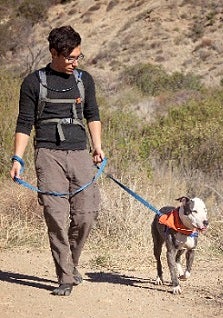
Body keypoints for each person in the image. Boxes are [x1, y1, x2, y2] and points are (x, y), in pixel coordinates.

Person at [10, 25, 105, 296]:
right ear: (54, 53)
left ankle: (70, 264)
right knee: (56, 215)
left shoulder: (84, 80)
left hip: (80, 153)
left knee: (86, 214)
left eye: (78, 57)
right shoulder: (33, 82)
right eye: (70, 58)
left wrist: (97, 147)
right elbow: (25, 123)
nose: (75, 62)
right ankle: (65, 276)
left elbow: (92, 114)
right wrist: (18, 158)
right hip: (47, 154)